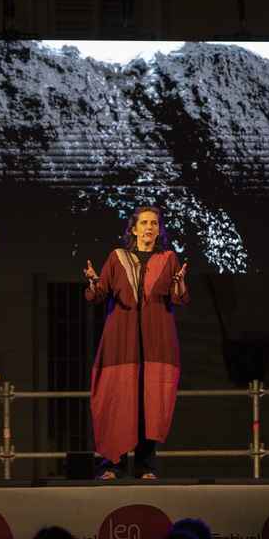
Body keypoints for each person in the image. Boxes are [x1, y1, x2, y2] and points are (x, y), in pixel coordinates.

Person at [84, 206, 188, 480]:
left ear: (159, 229)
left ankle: (145, 469)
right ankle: (112, 467)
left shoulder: (169, 258)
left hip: (156, 343)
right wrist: (94, 283)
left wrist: (179, 284)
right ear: (133, 228)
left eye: (154, 223)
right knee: (117, 399)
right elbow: (100, 294)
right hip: (121, 342)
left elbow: (177, 298)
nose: (149, 227)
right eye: (144, 223)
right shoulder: (117, 258)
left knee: (149, 405)